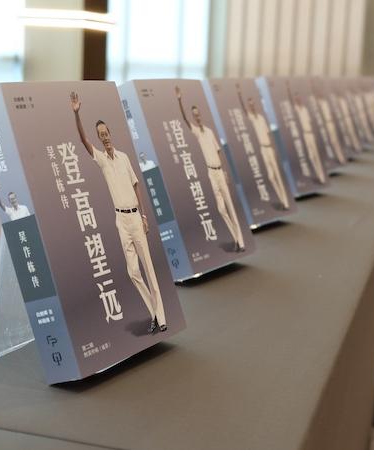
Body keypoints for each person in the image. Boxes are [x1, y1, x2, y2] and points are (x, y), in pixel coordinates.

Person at [70, 91, 167, 334]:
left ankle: (161, 318)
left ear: (110, 133)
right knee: (133, 272)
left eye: (106, 133)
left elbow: (136, 185)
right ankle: (153, 312)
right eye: (100, 135)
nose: (104, 137)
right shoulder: (102, 160)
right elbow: (83, 140)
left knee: (149, 268)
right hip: (121, 220)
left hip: (135, 217)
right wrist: (77, 114)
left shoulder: (123, 157)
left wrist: (143, 216)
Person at [175, 85, 245, 252]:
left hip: (220, 171)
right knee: (221, 209)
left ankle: (240, 242)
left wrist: (225, 171)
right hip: (211, 173)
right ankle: (235, 237)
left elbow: (219, 151)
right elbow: (184, 120)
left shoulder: (209, 131)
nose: (197, 117)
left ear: (201, 115)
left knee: (230, 206)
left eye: (198, 114)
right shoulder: (197, 133)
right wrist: (179, 99)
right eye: (194, 115)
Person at [236, 84, 290, 210]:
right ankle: (282, 199)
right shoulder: (252, 118)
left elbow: (268, 134)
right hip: (263, 149)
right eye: (249, 104)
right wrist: (239, 95)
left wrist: (273, 148)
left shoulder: (261, 118)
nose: (251, 106)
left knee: (277, 175)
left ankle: (286, 202)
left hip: (269, 148)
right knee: (271, 176)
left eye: (252, 104)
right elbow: (244, 111)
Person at [287, 81, 326, 184]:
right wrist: (288, 89)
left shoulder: (305, 109)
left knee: (316, 155)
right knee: (311, 156)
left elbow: (311, 122)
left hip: (310, 133)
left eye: (298, 97)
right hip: (305, 134)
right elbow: (291, 102)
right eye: (296, 98)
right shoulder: (297, 109)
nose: (297, 99)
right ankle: (318, 174)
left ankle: (322, 176)